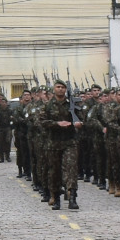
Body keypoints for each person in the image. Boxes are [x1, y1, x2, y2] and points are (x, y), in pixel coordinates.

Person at [40, 81, 78, 211]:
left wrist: (78, 123)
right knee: (54, 171)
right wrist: (57, 124)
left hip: (70, 142)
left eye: (63, 87)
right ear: (54, 89)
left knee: (71, 169)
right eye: (58, 87)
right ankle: (56, 198)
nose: (60, 90)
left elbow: (81, 118)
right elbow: (42, 121)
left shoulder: (72, 104)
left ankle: (72, 197)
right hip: (53, 143)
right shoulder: (47, 106)